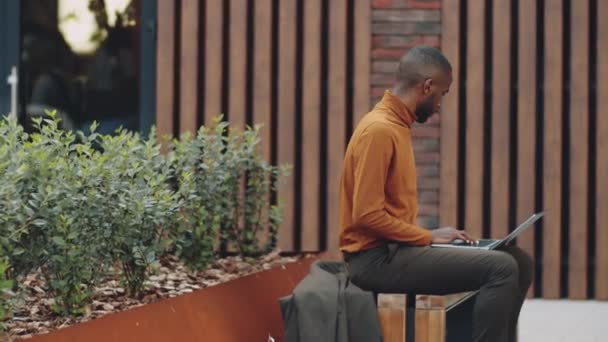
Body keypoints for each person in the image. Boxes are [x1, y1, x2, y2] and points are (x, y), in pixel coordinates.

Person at [339, 45, 533, 342]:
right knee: (501, 268)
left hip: (394, 250)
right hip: (373, 261)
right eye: (443, 93)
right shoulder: (379, 130)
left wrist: (427, 236)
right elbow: (366, 215)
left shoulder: (396, 124)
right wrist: (428, 237)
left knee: (517, 259)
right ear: (427, 87)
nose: (441, 103)